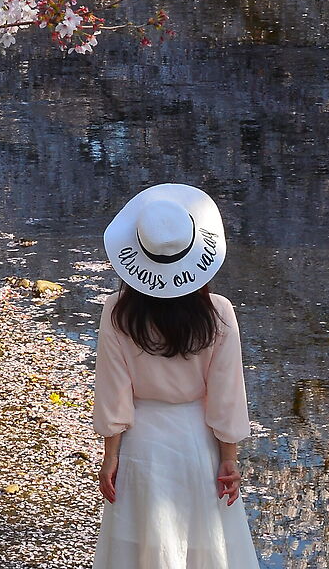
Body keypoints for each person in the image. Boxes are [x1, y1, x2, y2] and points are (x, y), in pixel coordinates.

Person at [92, 183, 260, 569]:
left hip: (142, 444)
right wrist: (229, 459)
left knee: (141, 548)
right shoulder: (217, 313)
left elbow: (113, 392)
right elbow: (227, 395)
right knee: (206, 548)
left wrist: (110, 455)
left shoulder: (118, 311)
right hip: (196, 443)